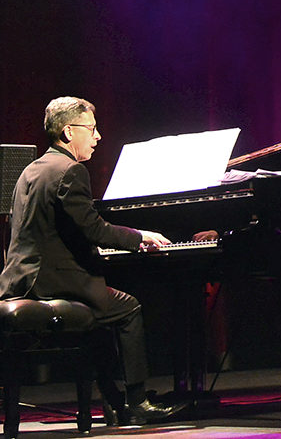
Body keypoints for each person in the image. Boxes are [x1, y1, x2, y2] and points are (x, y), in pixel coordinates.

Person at [0, 97, 183, 425]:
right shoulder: (71, 170)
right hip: (51, 280)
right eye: (92, 129)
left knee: (99, 314)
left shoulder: (32, 169)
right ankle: (138, 401)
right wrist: (138, 236)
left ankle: (114, 402)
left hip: (22, 277)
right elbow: (94, 229)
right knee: (128, 308)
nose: (98, 137)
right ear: (69, 131)